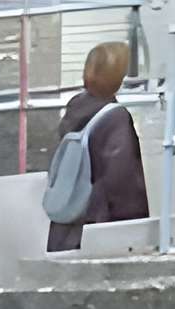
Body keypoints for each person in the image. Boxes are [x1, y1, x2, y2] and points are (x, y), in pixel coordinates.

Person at [46, 42, 150, 254]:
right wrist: (136, 232)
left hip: (67, 220)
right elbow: (122, 181)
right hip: (98, 226)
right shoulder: (115, 118)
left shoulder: (76, 106)